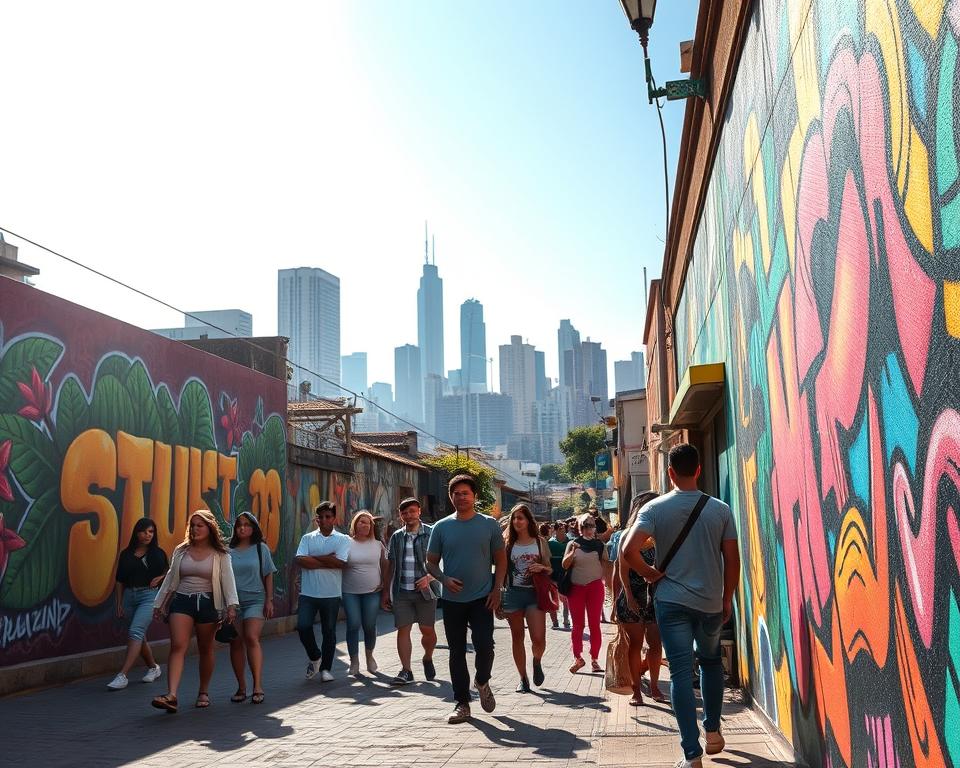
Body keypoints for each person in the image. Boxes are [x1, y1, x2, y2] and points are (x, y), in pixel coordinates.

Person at [620, 443, 740, 768]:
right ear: (699, 470)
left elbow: (628, 551)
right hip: (711, 602)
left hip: (671, 601)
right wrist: (727, 597)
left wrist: (649, 573)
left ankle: (692, 754)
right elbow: (732, 560)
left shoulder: (654, 509)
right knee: (712, 664)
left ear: (670, 472)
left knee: (680, 673)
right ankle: (713, 731)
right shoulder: (721, 509)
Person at [426, 474, 506, 724]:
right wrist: (444, 578)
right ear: (451, 497)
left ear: (475, 497)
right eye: (456, 493)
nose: (461, 497)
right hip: (452, 600)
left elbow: (501, 559)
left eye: (465, 493)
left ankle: (482, 681)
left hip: (483, 597)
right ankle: (462, 703)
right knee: (456, 651)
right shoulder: (441, 527)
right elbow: (429, 562)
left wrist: (497, 589)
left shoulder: (489, 525)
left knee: (485, 646)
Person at [151, 510, 239, 713]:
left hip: (208, 603)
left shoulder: (221, 554)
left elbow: (228, 581)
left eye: (200, 525)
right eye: (193, 525)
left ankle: (203, 692)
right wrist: (159, 604)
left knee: (205, 648)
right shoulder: (181, 551)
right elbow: (171, 579)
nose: (195, 529)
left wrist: (231, 607)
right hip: (182, 601)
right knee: (178, 646)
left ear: (209, 528)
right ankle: (171, 695)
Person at [614, 492, 666, 706]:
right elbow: (621, 571)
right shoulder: (628, 535)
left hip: (655, 596)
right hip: (632, 595)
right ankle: (636, 690)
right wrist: (628, 596)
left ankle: (654, 686)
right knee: (635, 644)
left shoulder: (661, 535)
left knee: (655, 644)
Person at [382, 497, 440, 685]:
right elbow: (391, 565)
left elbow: (445, 560)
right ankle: (406, 670)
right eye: (405, 513)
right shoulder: (397, 536)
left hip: (426, 591)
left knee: (427, 631)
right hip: (402, 592)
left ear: (419, 512)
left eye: (412, 512)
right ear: (400, 515)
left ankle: (427, 657)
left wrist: (429, 578)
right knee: (403, 630)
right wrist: (385, 591)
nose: (409, 516)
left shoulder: (432, 533)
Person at [107, 518, 169, 690]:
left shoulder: (158, 553)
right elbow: (119, 580)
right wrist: (119, 603)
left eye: (151, 532)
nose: (147, 535)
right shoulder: (126, 554)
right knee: (139, 636)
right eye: (144, 531)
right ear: (136, 532)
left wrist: (161, 577)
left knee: (135, 631)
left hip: (149, 597)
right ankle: (153, 668)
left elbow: (171, 573)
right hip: (129, 597)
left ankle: (123, 675)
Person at [295, 501, 351, 681]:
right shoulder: (307, 538)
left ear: (334, 518)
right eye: (320, 517)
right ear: (316, 519)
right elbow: (301, 561)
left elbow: (341, 563)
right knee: (303, 627)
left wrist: (313, 559)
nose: (324, 520)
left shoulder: (343, 539)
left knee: (329, 631)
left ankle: (326, 669)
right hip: (308, 594)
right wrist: (327, 559)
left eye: (328, 516)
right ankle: (315, 656)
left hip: (331, 594)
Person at [227, 512, 277, 705]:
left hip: (256, 599)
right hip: (233, 603)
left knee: (251, 637)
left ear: (253, 528)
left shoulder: (260, 549)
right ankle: (241, 686)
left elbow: (268, 574)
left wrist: (269, 600)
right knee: (236, 642)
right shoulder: (227, 552)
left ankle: (258, 685)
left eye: (247, 525)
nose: (242, 528)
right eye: (239, 525)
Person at [502, 504, 552, 692]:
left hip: (534, 593)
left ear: (528, 521)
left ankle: (537, 660)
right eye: (514, 518)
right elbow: (499, 569)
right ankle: (523, 678)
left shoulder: (539, 542)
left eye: (520, 518)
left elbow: (550, 568)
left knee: (538, 638)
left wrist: (542, 568)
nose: (516, 522)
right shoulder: (507, 543)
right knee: (517, 637)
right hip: (513, 593)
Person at [562, 512, 608, 673]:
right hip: (576, 587)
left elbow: (606, 566)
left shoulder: (599, 545)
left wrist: (610, 587)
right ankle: (578, 658)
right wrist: (572, 552)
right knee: (578, 625)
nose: (589, 529)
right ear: (579, 528)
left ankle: (595, 659)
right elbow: (565, 565)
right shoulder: (572, 544)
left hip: (595, 587)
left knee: (595, 624)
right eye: (585, 526)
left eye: (591, 525)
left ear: (595, 528)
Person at [343, 510, 388, 675]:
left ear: (371, 526)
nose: (364, 525)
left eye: (368, 523)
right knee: (353, 624)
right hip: (349, 592)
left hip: (372, 591)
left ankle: (369, 657)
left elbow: (385, 565)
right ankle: (354, 661)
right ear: (355, 524)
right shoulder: (345, 542)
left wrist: (384, 584)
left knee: (369, 625)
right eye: (361, 521)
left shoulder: (378, 544)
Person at [547, 520, 571, 629]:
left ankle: (566, 620)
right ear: (555, 530)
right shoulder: (550, 543)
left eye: (564, 529)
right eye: (560, 529)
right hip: (552, 575)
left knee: (565, 599)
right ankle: (555, 622)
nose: (563, 531)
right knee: (553, 599)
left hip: (565, 575)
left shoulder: (570, 543)